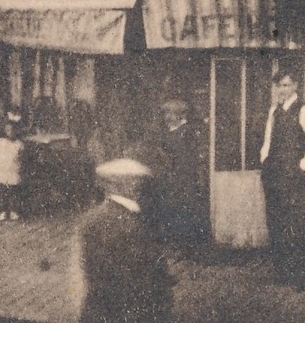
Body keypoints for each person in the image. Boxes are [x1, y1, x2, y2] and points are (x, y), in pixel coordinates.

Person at [73, 158, 173, 322]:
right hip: (128, 309)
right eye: (134, 181)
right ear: (116, 185)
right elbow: (137, 273)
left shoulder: (95, 218)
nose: (138, 186)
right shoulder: (127, 221)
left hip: (101, 306)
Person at [259, 70, 305, 289]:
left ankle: (304, 278)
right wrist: (265, 161)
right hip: (273, 175)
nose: (281, 90)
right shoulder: (274, 111)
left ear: (296, 86)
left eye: (286, 85)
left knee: (296, 223)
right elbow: (268, 142)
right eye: (278, 85)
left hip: (293, 177)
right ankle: (282, 273)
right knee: (275, 222)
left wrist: (301, 167)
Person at [154, 98, 209, 248]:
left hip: (184, 175)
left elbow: (185, 157)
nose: (166, 117)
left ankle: (186, 242)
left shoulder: (186, 132)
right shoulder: (171, 132)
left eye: (169, 113)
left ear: (179, 115)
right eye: (165, 114)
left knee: (184, 207)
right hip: (173, 175)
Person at [0, 112, 26, 221]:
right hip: (2, 170)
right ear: (4, 131)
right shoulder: (0, 142)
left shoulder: (19, 144)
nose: (10, 133)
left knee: (12, 191)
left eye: (13, 130)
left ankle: (13, 211)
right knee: (3, 191)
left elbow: (21, 156)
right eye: (8, 130)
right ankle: (2, 211)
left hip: (12, 170)